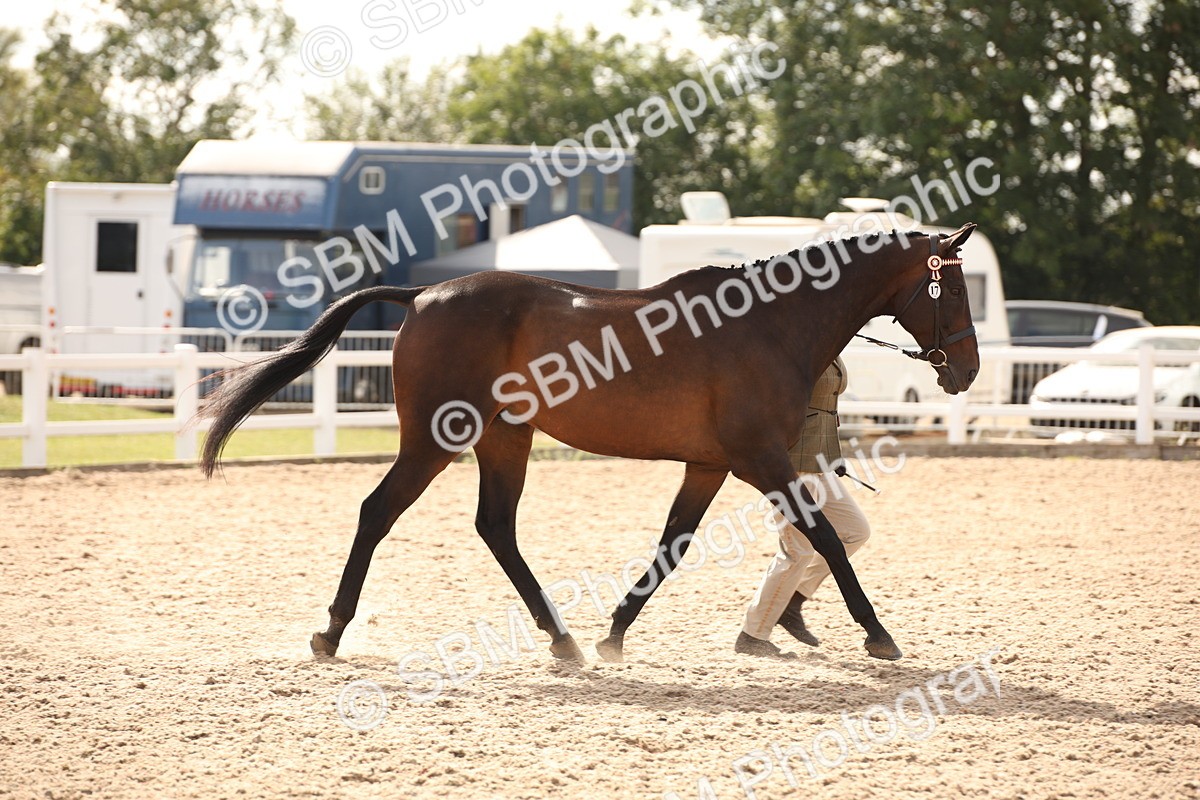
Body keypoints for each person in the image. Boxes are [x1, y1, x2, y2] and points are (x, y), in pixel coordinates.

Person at [735, 355, 872, 659]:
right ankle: (753, 635)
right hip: (792, 465)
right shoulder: (792, 348)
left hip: (820, 461)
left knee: (855, 531)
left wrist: (833, 453)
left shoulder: (830, 347)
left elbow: (826, 407)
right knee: (798, 551)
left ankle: (792, 601)